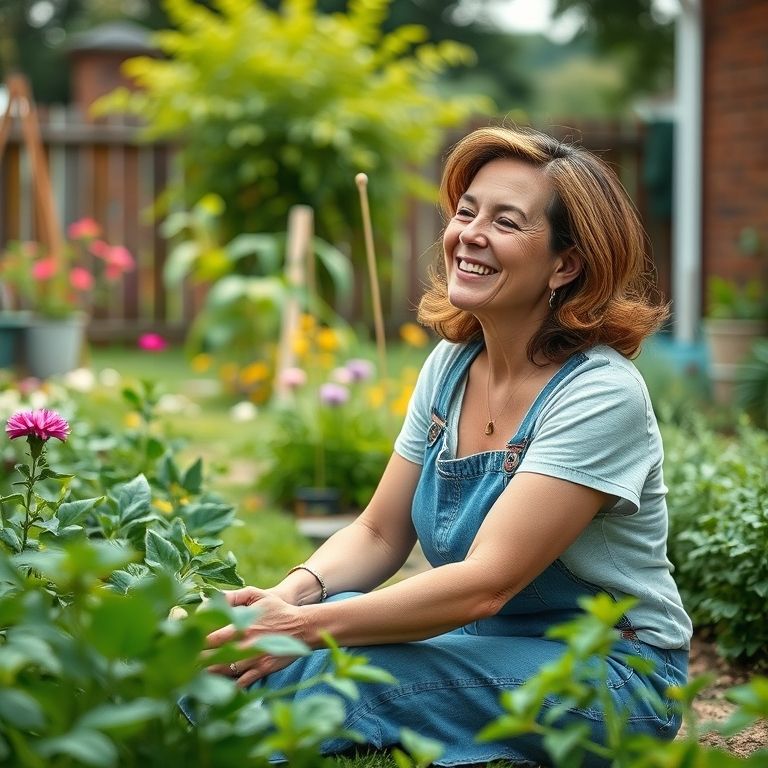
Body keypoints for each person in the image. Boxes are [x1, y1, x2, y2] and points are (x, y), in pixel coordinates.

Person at [203, 125, 692, 767]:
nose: (470, 234)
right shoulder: (452, 364)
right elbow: (379, 533)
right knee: (328, 615)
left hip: (610, 675)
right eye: (466, 212)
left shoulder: (600, 394)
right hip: (482, 644)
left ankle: (167, 725)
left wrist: (298, 630)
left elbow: (487, 584)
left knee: (336, 669)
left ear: (566, 264)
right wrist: (289, 598)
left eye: (506, 222)